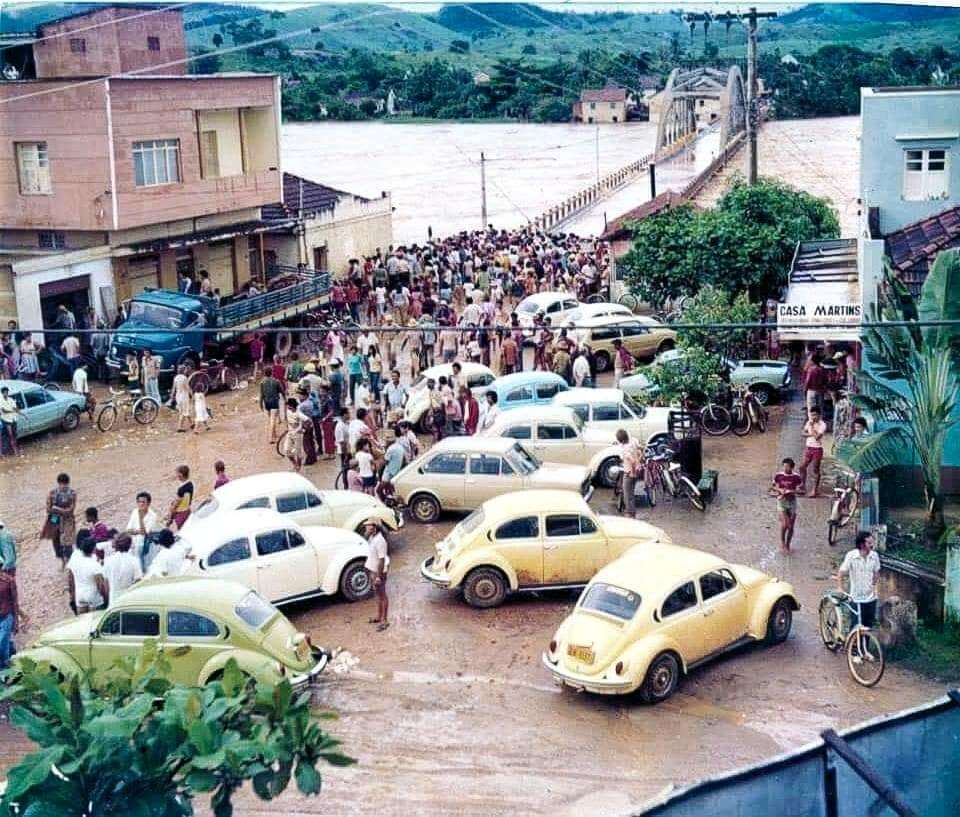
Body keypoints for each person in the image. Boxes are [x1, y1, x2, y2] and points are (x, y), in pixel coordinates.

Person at [837, 531, 882, 629]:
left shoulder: (874, 556)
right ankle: (852, 644)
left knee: (868, 626)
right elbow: (841, 572)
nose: (872, 545)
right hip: (856, 597)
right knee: (856, 626)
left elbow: (876, 573)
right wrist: (840, 588)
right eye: (869, 543)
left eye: (872, 542)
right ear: (862, 544)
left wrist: (875, 588)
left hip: (870, 597)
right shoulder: (851, 556)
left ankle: (864, 644)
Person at [42, 472, 77, 568]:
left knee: (68, 541)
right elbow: (48, 509)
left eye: (65, 484)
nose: (63, 487)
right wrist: (63, 511)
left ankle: (70, 561)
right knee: (56, 540)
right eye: (62, 484)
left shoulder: (72, 493)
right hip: (54, 519)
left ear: (68, 484)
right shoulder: (52, 493)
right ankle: (62, 560)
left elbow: (71, 510)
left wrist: (58, 509)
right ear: (58, 483)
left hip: (67, 520)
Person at [67, 533, 107, 614]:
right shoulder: (95, 564)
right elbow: (100, 585)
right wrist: (105, 599)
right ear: (93, 549)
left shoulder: (75, 562)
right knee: (94, 621)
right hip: (93, 595)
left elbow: (70, 578)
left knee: (82, 621)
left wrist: (72, 596)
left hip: (80, 595)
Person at [771, 457, 803, 554]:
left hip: (792, 502)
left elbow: (802, 491)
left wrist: (792, 491)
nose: (785, 469)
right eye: (784, 466)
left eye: (787, 467)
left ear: (792, 467)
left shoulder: (797, 477)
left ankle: (788, 544)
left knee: (791, 527)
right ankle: (782, 542)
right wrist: (779, 490)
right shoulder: (778, 476)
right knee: (785, 524)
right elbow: (771, 488)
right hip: (782, 501)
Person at [363, 520, 389, 631]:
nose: (365, 528)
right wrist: (367, 533)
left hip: (379, 571)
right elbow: (364, 538)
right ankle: (379, 617)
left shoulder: (380, 541)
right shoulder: (372, 538)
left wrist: (378, 576)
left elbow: (381, 560)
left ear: (374, 527)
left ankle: (384, 620)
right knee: (378, 595)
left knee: (382, 595)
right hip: (373, 570)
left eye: (367, 526)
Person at [102, 534, 142, 606]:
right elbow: (138, 581)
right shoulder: (134, 560)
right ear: (129, 545)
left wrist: (107, 598)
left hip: (113, 596)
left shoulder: (108, 560)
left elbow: (106, 583)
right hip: (129, 597)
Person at [125, 491, 160, 572]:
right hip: (134, 543)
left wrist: (141, 518)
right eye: (139, 502)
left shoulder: (152, 515)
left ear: (148, 503)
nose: (141, 504)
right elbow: (128, 529)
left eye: (143, 502)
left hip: (144, 544)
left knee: (144, 566)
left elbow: (145, 532)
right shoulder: (135, 511)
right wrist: (137, 532)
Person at [799, 407, 827, 498]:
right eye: (812, 415)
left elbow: (817, 437)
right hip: (809, 447)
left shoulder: (822, 425)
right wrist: (810, 433)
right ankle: (802, 485)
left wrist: (811, 428)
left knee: (815, 469)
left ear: (819, 415)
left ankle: (815, 490)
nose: (813, 417)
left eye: (815, 415)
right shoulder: (809, 422)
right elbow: (803, 433)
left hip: (817, 448)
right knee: (802, 466)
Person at [615, 429, 644, 518]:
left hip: (629, 472)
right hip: (637, 471)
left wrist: (632, 471)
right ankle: (632, 511)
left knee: (627, 494)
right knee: (631, 492)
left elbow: (631, 460)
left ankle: (630, 512)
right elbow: (641, 449)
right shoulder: (634, 440)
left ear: (622, 440)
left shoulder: (625, 449)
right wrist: (639, 461)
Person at [0, 561, 23, 669]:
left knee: (2, 643)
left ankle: (4, 668)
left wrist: (16, 622)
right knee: (5, 642)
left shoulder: (9, 581)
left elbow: (15, 601)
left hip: (6, 615)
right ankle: (12, 652)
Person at [259, 368, 283, 444]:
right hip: (274, 402)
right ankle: (271, 437)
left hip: (267, 402)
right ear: (272, 373)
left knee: (270, 419)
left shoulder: (262, 382)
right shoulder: (276, 381)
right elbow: (281, 391)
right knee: (273, 419)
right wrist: (285, 398)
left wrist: (260, 405)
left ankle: (274, 434)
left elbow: (261, 395)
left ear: (264, 374)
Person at [283, 397, 305, 473]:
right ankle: (295, 464)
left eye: (289, 406)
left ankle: (298, 468)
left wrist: (303, 429)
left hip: (297, 434)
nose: (287, 407)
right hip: (289, 433)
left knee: (299, 452)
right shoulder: (287, 411)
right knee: (286, 450)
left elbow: (308, 421)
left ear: (292, 406)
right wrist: (287, 427)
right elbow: (286, 419)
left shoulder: (299, 414)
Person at [168, 465, 193, 531]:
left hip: (181, 514)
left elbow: (176, 505)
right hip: (187, 511)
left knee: (181, 530)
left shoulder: (181, 489)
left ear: (180, 475)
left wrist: (170, 516)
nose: (176, 475)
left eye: (177, 473)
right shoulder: (190, 484)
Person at [0, 385, 24, 457]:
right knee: (10, 436)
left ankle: (14, 451)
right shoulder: (1, 401)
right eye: (4, 392)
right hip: (6, 420)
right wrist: (12, 411)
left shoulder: (11, 400)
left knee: (14, 435)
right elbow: (4, 411)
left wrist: (22, 414)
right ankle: (14, 451)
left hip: (13, 419)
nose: (6, 394)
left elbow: (15, 408)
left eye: (6, 392)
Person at [172, 365, 192, 433]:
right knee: (184, 412)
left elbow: (173, 388)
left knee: (184, 410)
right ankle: (179, 427)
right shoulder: (184, 378)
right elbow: (187, 388)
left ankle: (191, 423)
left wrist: (172, 396)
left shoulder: (176, 378)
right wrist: (192, 394)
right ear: (184, 370)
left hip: (178, 396)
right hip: (184, 396)